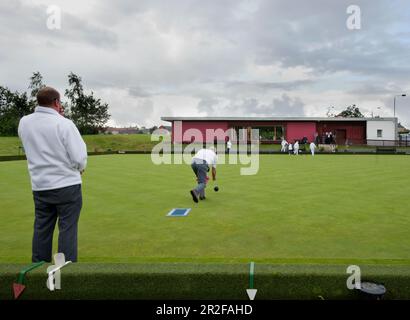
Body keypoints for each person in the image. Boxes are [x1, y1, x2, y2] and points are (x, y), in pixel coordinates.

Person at [18, 87, 87, 263]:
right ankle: (66, 273)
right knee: (67, 229)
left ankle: (38, 273)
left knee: (42, 228)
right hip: (67, 186)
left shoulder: (24, 122)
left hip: (40, 186)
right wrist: (79, 167)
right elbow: (79, 158)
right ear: (57, 103)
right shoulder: (64, 124)